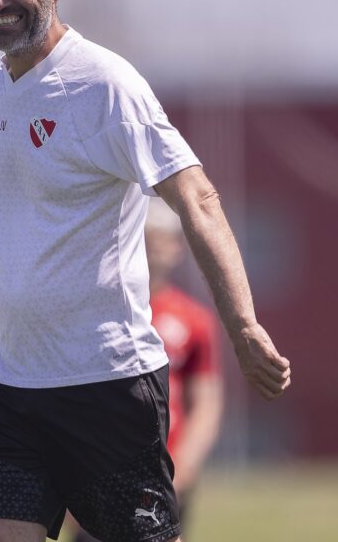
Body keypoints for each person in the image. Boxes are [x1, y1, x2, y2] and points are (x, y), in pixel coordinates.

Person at [0, 0, 290, 542]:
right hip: (7, 387)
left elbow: (198, 199)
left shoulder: (104, 86)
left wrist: (243, 325)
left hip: (106, 388)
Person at [73, 199, 224, 542]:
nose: (151, 251)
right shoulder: (96, 313)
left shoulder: (193, 319)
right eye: (143, 239)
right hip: (100, 468)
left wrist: (184, 465)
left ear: (176, 248)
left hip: (162, 471)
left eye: (159, 241)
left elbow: (206, 403)